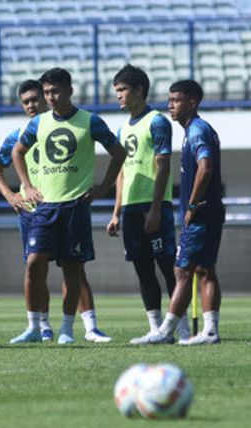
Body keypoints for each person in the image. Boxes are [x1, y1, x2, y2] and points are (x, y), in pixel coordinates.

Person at [9, 68, 126, 345]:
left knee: (72, 269)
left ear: (70, 91)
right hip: (46, 208)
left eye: (55, 91)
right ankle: (35, 327)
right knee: (34, 262)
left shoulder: (90, 121)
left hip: (75, 206)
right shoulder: (39, 123)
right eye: (47, 92)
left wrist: (104, 187)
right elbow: (17, 152)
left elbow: (119, 152)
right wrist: (27, 185)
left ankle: (66, 329)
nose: (50, 97)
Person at [132, 79, 225, 345]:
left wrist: (193, 204)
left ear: (192, 102)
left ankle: (166, 330)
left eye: (175, 100)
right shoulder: (197, 130)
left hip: (202, 213)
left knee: (182, 271)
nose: (169, 105)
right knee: (205, 269)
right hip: (211, 211)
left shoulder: (196, 130)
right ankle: (210, 330)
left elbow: (205, 167)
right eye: (169, 100)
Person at [104, 65, 191, 344]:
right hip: (129, 209)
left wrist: (155, 208)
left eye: (123, 90)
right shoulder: (122, 128)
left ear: (139, 90)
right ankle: (156, 328)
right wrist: (116, 211)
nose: (118, 96)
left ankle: (181, 328)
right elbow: (121, 173)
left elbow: (163, 167)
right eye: (116, 91)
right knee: (142, 268)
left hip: (154, 207)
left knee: (168, 267)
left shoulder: (157, 121)